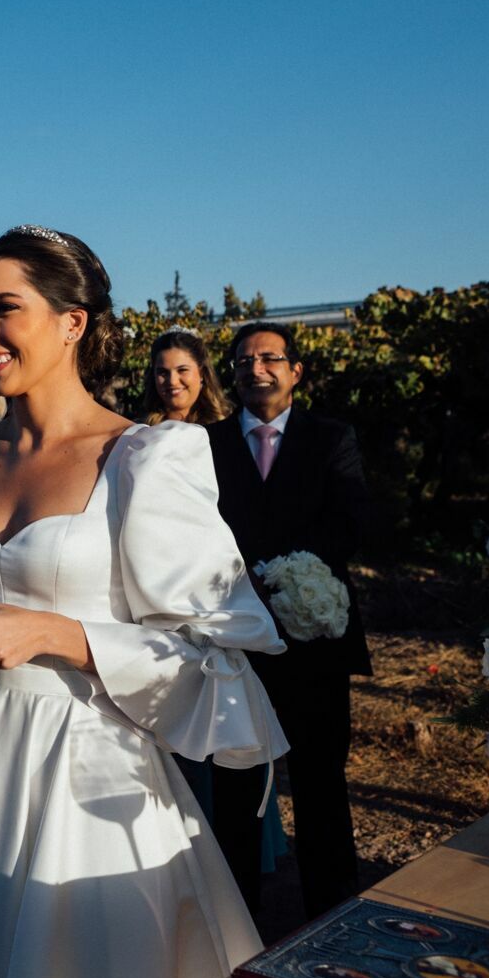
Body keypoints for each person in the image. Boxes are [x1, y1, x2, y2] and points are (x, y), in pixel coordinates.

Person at [0, 226, 287, 978]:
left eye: (2, 309)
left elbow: (217, 657)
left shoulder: (142, 461)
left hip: (90, 772)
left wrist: (64, 636)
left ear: (72, 320)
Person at [205, 319, 372, 919]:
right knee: (237, 787)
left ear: (296, 370)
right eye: (245, 360)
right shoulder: (209, 444)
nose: (257, 369)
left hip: (315, 638)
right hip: (235, 639)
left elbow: (349, 521)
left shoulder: (332, 438)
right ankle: (236, 922)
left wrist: (287, 576)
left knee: (322, 782)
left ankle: (334, 917)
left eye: (270, 358)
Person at [141, 328, 288, 885]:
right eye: (161, 371)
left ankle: (238, 868)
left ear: (203, 375)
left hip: (222, 594)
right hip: (165, 599)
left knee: (231, 733)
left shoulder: (225, 438)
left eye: (182, 370)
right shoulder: (138, 437)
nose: (171, 380)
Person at [143, 327, 232, 426]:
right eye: (163, 372)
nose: (172, 381)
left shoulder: (227, 427)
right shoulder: (139, 432)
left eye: (182, 370)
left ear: (201, 373)